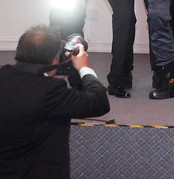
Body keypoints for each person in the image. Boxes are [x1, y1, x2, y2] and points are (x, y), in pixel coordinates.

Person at [0, 25, 110, 178]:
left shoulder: (3, 74)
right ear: (54, 60)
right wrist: (84, 68)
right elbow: (99, 102)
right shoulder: (51, 91)